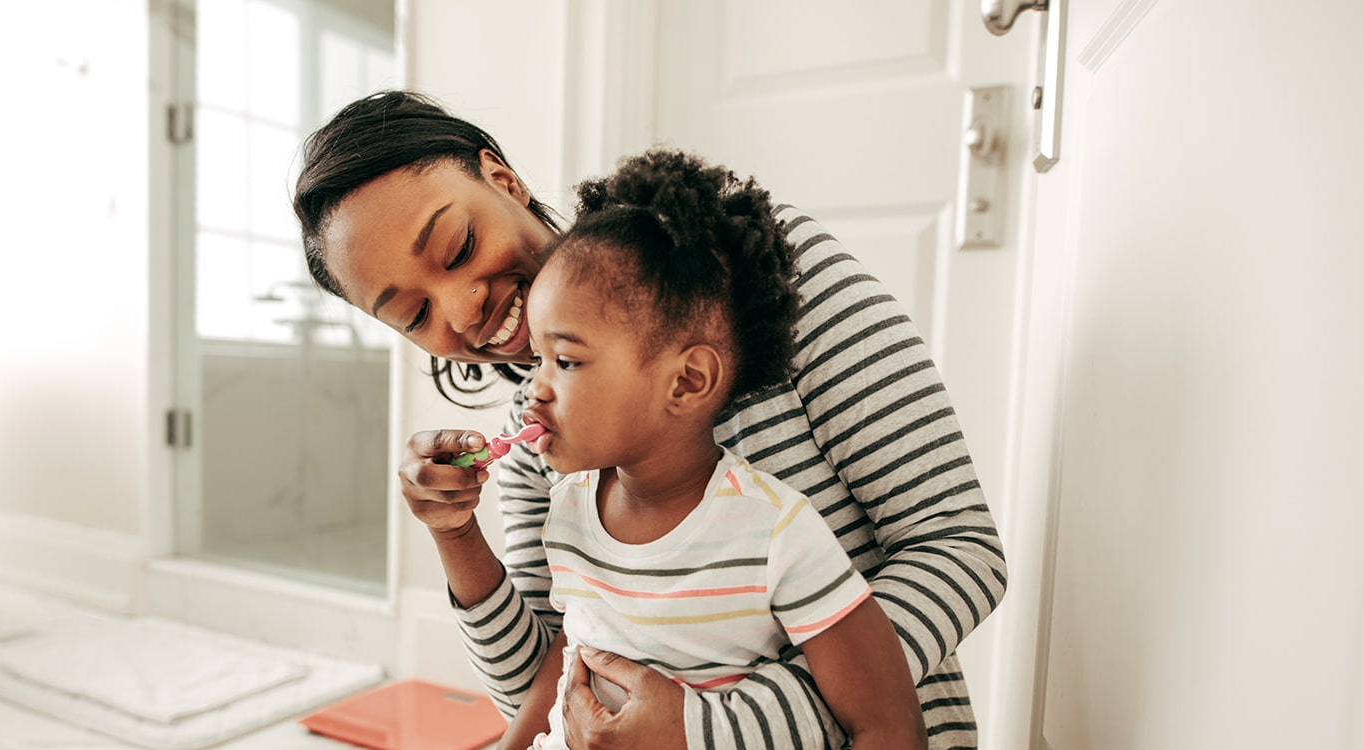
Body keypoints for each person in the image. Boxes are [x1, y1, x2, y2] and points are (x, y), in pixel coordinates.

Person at [293, 90, 1007, 749]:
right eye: (414, 314)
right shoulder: (543, 445)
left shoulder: (757, 279)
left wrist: (712, 729)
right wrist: (455, 536)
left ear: (502, 180)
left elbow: (959, 547)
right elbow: (547, 689)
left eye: (458, 248)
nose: (460, 309)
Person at [489, 149, 927, 750]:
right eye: (537, 358)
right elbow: (577, 650)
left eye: (564, 361)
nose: (534, 387)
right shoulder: (567, 509)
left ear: (688, 381)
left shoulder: (774, 533)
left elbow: (888, 725)